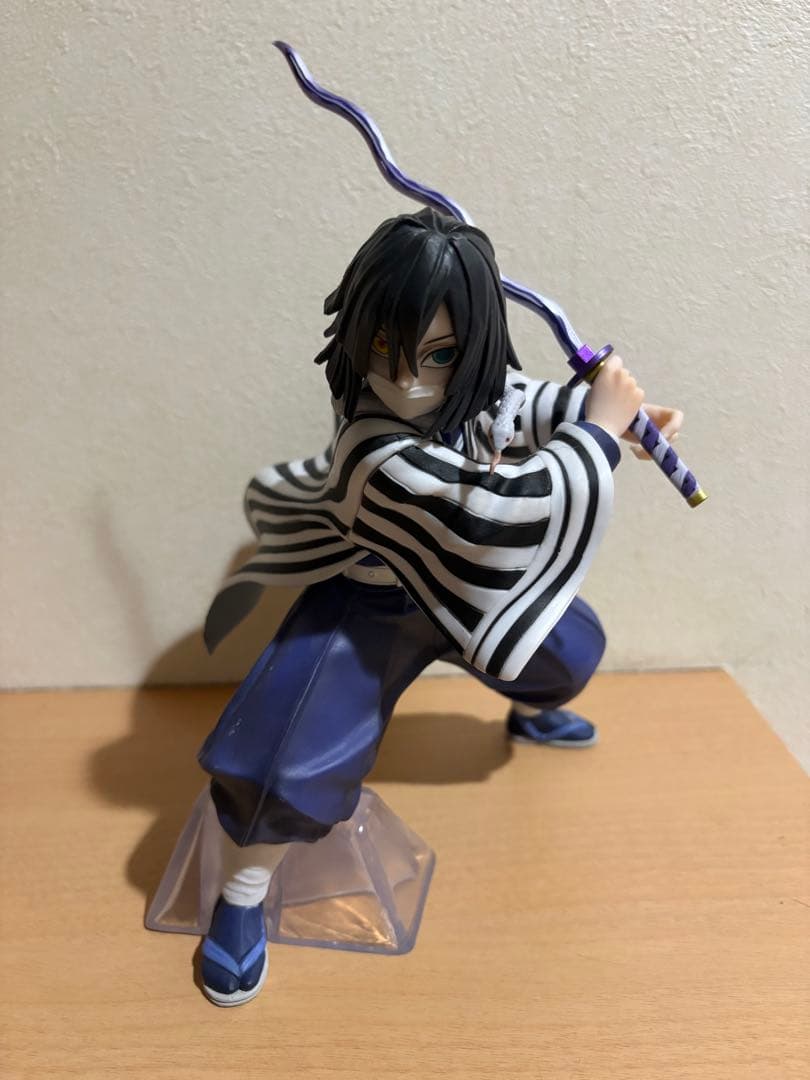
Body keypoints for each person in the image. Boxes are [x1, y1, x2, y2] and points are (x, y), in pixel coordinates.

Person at [194, 208, 681, 1005]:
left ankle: (532, 715)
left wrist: (613, 421)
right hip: (370, 601)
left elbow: (518, 401)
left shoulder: (471, 388)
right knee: (284, 757)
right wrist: (597, 434)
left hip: (465, 597)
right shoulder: (371, 450)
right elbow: (486, 516)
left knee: (565, 651)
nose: (410, 380)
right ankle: (240, 899)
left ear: (474, 347)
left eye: (443, 354)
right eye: (386, 348)